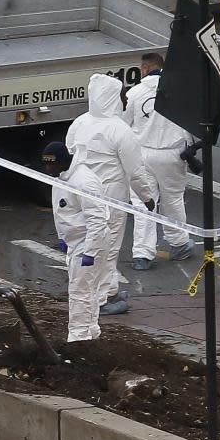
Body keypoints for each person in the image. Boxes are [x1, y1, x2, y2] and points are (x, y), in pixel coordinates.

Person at [66, 74, 155, 315]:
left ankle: (109, 289)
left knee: (91, 243)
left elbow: (70, 148)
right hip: (110, 196)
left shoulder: (80, 122)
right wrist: (147, 197)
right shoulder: (120, 130)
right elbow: (135, 171)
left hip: (81, 193)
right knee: (108, 246)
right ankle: (102, 298)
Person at [122, 52, 195, 271]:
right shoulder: (179, 91)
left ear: (144, 69)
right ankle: (180, 243)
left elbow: (125, 124)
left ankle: (142, 255)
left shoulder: (135, 93)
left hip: (142, 153)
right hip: (172, 154)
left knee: (143, 203)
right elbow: (190, 123)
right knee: (173, 200)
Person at [43, 142, 110, 341]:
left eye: (51, 165)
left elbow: (97, 220)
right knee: (88, 289)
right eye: (46, 165)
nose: (48, 169)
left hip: (89, 242)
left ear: (63, 162)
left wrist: (90, 251)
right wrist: (63, 238)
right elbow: (63, 211)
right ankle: (91, 331)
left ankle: (78, 338)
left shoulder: (84, 181)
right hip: (78, 241)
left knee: (80, 292)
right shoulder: (62, 177)